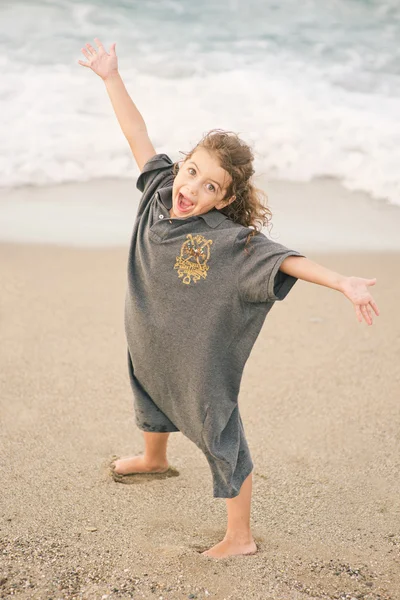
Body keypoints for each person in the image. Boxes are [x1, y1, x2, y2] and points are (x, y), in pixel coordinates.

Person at [78, 38, 380, 559]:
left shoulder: (230, 242)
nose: (191, 188)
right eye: (191, 171)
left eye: (210, 186)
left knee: (221, 434)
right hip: (148, 336)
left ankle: (239, 537)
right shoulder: (158, 188)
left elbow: (286, 260)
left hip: (198, 363)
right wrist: (110, 78)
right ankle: (155, 458)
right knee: (146, 390)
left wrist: (342, 282)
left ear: (226, 198)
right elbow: (137, 133)